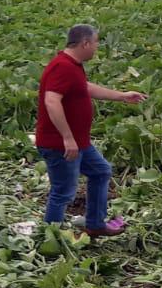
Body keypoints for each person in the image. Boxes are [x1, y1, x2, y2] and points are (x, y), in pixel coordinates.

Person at [34, 24, 146, 236]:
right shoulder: (62, 66)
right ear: (85, 43)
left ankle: (95, 224)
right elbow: (51, 101)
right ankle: (50, 238)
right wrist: (67, 138)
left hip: (79, 142)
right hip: (61, 144)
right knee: (63, 192)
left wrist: (122, 95)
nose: (97, 48)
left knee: (101, 171)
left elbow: (84, 87)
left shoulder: (72, 66)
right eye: (95, 43)